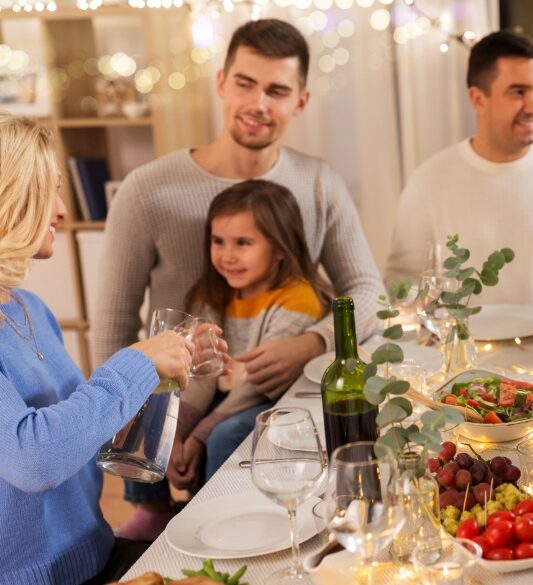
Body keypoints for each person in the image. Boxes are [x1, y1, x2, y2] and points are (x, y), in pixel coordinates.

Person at [94, 18, 384, 401]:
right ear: (221, 83)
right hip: (177, 406)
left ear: (301, 101)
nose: (257, 104)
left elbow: (369, 295)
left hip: (287, 402)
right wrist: (138, 426)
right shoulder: (145, 190)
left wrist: (313, 343)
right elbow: (113, 330)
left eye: (277, 91)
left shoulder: (320, 183)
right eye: (245, 84)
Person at [0, 114, 198, 584]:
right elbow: (36, 459)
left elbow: (76, 440)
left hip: (95, 555)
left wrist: (164, 377)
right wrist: (139, 362)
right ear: (11, 199)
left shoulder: (30, 309)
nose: (63, 210)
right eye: (49, 189)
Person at [117, 180, 331, 541]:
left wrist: (197, 438)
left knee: (223, 436)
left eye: (243, 243)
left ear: (279, 249)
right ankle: (153, 509)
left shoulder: (297, 297)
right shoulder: (211, 293)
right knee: (146, 408)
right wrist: (179, 430)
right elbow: (200, 372)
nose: (227, 255)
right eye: (219, 242)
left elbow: (253, 383)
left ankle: (223, 516)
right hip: (225, 390)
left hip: (272, 397)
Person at [383, 30, 533, 306]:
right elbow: (401, 281)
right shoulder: (429, 180)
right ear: (478, 99)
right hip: (461, 348)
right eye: (518, 92)